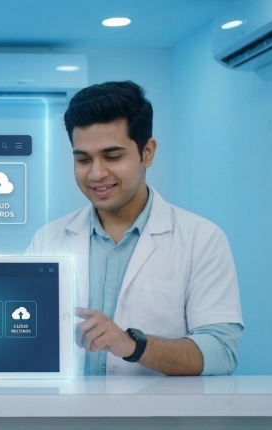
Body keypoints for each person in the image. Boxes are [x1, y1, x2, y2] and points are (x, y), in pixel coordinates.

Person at [26, 81, 242, 376]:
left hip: (156, 419)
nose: (96, 174)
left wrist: (130, 345)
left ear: (147, 152)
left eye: (113, 157)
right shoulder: (48, 239)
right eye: (83, 159)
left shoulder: (201, 239)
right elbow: (25, 333)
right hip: (68, 417)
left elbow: (221, 353)